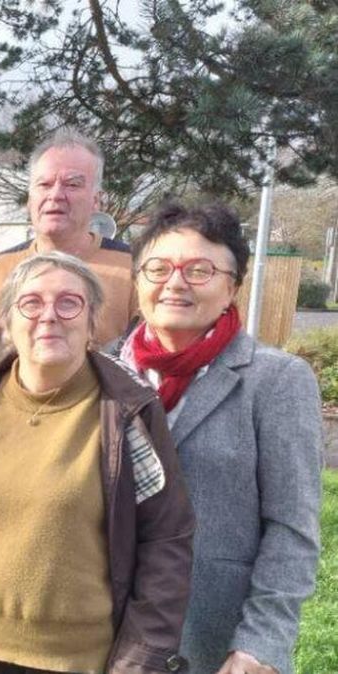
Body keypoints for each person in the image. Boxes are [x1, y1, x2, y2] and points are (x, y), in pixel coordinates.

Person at [0, 252, 195, 674]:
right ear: (7, 324)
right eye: (31, 303)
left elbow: (166, 543)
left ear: (91, 323)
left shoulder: (127, 412)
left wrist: (141, 662)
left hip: (82, 662)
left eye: (69, 303)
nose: (49, 316)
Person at [119, 202, 322, 674]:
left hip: (215, 645)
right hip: (106, 638)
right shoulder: (105, 372)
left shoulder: (274, 381)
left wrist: (261, 642)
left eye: (199, 270)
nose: (174, 282)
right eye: (158, 267)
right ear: (138, 280)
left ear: (232, 286)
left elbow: (292, 527)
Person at [0, 128, 137, 344]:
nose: (56, 195)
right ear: (29, 199)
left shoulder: (132, 268)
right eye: (45, 184)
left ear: (97, 199)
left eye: (72, 184)